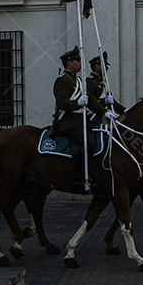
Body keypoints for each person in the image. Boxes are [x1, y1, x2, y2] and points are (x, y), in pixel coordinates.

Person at [52, 46, 107, 184]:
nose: (79, 63)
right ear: (69, 63)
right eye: (77, 61)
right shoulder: (62, 80)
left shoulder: (78, 81)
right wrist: (77, 103)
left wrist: (105, 112)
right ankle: (79, 174)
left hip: (80, 120)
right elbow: (62, 103)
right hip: (68, 121)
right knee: (88, 142)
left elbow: (91, 102)